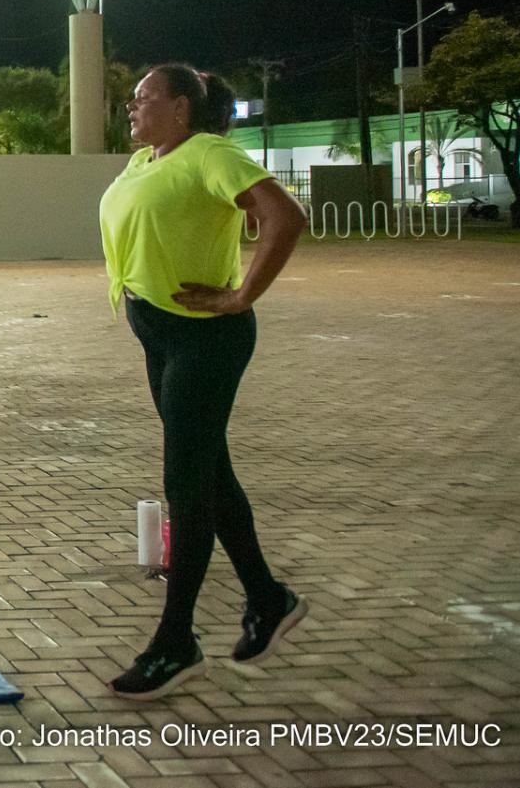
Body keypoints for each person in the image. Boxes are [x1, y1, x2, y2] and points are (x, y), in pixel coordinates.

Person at [97, 64, 307, 700]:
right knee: (209, 474)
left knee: (185, 482)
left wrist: (243, 295)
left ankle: (176, 640)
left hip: (203, 339)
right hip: (158, 334)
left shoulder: (211, 153)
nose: (131, 108)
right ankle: (268, 599)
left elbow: (284, 216)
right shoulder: (143, 163)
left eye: (144, 98)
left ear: (182, 107)